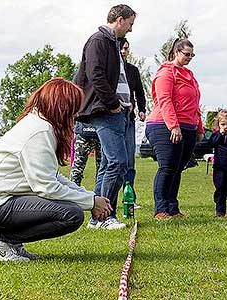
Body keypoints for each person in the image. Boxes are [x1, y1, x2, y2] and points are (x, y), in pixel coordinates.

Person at [0, 78, 112, 262]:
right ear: (62, 107)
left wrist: (91, 197)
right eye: (73, 109)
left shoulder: (38, 124)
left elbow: (53, 178)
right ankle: (0, 242)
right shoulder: (40, 131)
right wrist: (90, 202)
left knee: (71, 209)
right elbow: (47, 187)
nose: (76, 116)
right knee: (71, 214)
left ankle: (9, 244)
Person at [75, 4, 136, 230]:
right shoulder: (98, 41)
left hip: (118, 112)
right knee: (118, 162)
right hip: (106, 112)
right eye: (130, 24)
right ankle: (103, 217)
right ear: (119, 20)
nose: (130, 29)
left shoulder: (112, 43)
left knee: (109, 164)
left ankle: (97, 217)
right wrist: (112, 103)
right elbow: (95, 75)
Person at [145, 38, 204, 219]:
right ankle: (161, 210)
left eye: (192, 55)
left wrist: (199, 127)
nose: (189, 58)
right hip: (163, 125)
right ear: (176, 52)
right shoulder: (166, 73)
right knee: (168, 166)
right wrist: (173, 126)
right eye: (186, 54)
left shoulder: (190, 75)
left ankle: (173, 209)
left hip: (188, 126)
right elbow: (164, 101)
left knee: (178, 168)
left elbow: (195, 104)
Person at [119, 37, 146, 208]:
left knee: (129, 160)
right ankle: (107, 196)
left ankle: (130, 196)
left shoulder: (133, 70)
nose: (124, 51)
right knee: (112, 161)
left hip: (129, 120)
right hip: (112, 119)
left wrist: (142, 109)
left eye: (126, 49)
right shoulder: (111, 69)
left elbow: (140, 93)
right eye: (121, 48)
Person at [70, 121, 101, 186]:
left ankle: (100, 194)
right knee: (77, 168)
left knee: (102, 169)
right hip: (84, 131)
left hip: (99, 131)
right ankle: (73, 192)